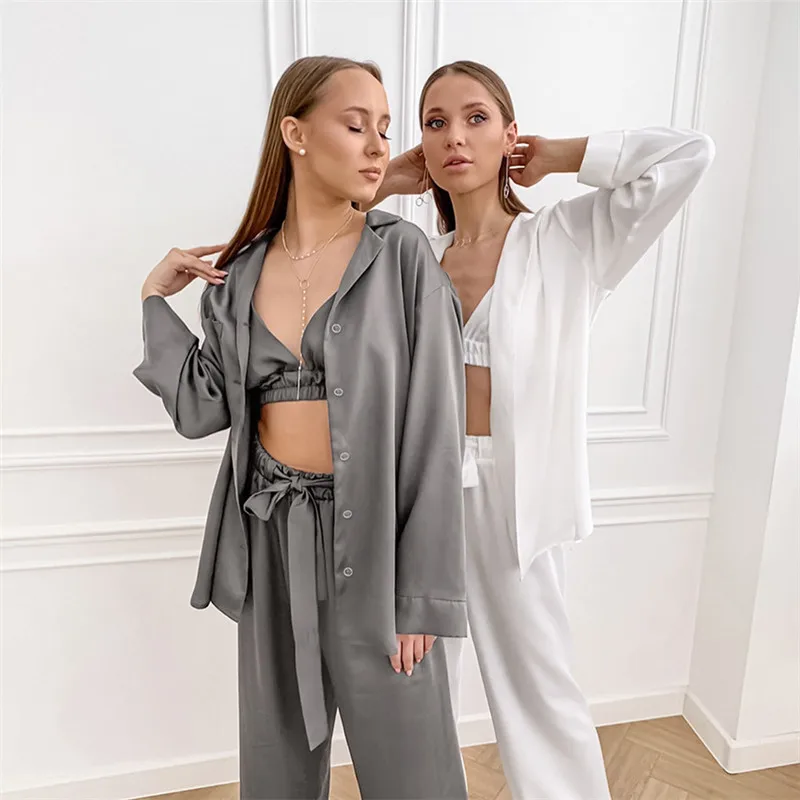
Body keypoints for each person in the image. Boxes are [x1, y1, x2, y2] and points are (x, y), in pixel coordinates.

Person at [370, 59, 715, 799]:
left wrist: (560, 155)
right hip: (420, 488)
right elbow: (307, 242)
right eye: (435, 123)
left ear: (508, 134)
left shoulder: (567, 238)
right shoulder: (410, 256)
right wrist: (385, 184)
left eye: (476, 118)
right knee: (413, 681)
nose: (454, 136)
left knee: (537, 684)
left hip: (516, 493)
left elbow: (690, 155)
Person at [133, 55, 469, 800]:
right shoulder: (239, 275)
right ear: (296, 133)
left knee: (414, 772)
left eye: (385, 129)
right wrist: (155, 299)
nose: (379, 146)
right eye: (356, 126)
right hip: (269, 543)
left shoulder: (402, 256)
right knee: (276, 765)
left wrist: (420, 592)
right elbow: (201, 408)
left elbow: (435, 431)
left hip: (377, 550)